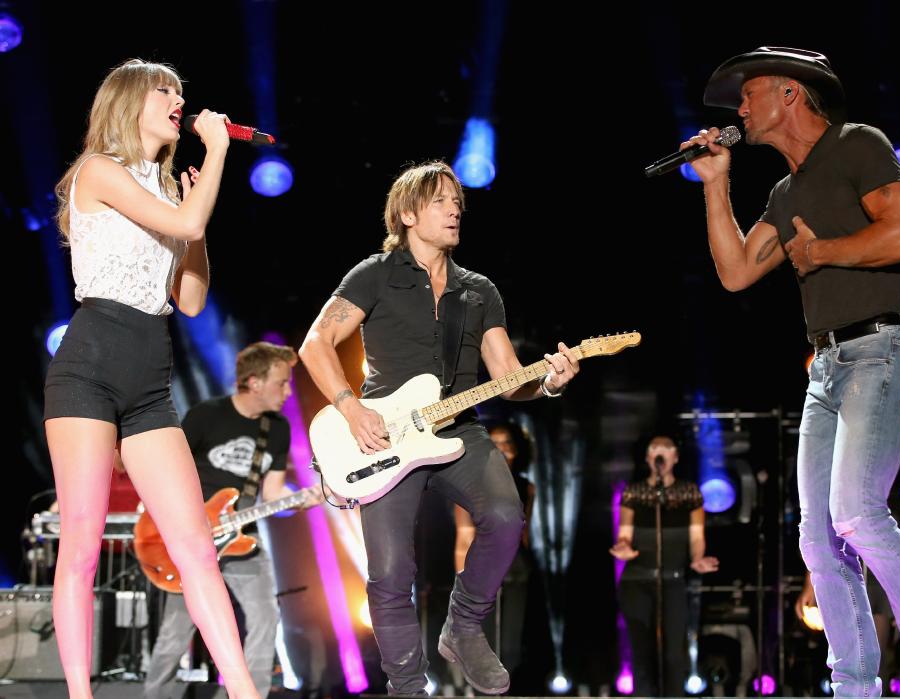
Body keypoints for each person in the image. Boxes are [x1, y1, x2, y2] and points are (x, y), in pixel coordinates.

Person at [685, 46, 900, 697]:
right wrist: (714, 183)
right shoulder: (785, 192)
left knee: (856, 511)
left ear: (790, 93)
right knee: (817, 537)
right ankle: (853, 685)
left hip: (884, 349)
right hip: (827, 367)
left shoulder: (857, 144)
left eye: (750, 92)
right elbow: (735, 271)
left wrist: (821, 251)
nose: (740, 107)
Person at [299, 161, 580, 695]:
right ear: (408, 213)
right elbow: (315, 345)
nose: (455, 209)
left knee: (505, 515)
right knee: (389, 571)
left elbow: (508, 378)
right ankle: (406, 685)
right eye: (440, 201)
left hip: (459, 428)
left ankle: (464, 624)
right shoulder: (373, 273)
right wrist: (350, 408)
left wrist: (549, 383)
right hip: (380, 431)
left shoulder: (479, 291)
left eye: (458, 201)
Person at [44, 59, 260, 698]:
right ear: (130, 102)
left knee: (195, 545)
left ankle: (245, 689)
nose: (180, 101)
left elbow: (190, 299)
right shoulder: (99, 170)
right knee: (81, 544)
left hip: (149, 378)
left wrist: (195, 215)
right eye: (166, 91)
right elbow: (188, 221)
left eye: (181, 92)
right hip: (89, 366)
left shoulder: (167, 194)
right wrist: (217, 154)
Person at [144, 342, 318, 698]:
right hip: (193, 542)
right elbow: (169, 474)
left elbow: (271, 495)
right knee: (176, 633)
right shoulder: (205, 416)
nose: (287, 391)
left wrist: (305, 499)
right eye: (281, 383)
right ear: (254, 382)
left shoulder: (277, 429)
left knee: (265, 619)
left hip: (243, 539)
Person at [610, 435, 719, 696]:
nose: (660, 453)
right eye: (654, 449)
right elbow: (624, 531)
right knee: (642, 651)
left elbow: (696, 536)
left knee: (673, 653)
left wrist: (697, 558)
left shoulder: (690, 492)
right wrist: (623, 546)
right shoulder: (633, 492)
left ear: (675, 458)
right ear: (648, 458)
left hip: (672, 580)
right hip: (637, 579)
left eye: (667, 449)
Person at [453, 421, 535, 674]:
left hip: (515, 567)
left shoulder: (526, 487)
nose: (501, 449)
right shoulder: (470, 487)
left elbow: (526, 532)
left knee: (510, 642)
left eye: (506, 444)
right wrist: (462, 577)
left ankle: (505, 685)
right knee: (485, 638)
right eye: (495, 444)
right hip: (481, 569)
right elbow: (464, 535)